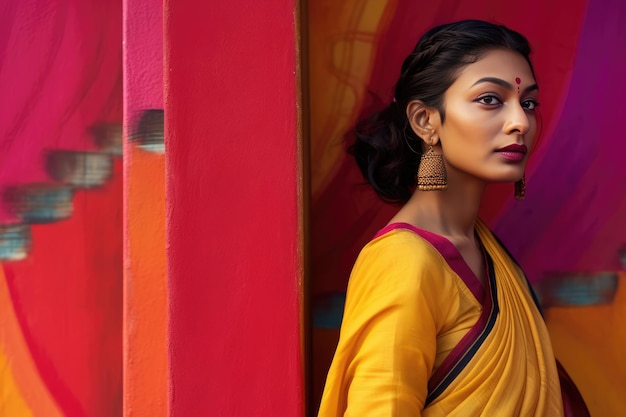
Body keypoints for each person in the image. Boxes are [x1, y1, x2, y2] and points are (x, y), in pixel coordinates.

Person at [317, 20, 588, 417]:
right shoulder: (405, 262)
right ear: (426, 121)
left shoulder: (484, 248)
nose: (521, 123)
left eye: (527, 103)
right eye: (491, 100)